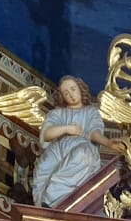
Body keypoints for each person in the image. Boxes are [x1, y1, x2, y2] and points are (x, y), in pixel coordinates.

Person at [32, 75, 108, 209]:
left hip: (81, 148)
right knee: (45, 164)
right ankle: (46, 202)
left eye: (73, 89)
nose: (71, 95)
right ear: (62, 96)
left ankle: (54, 200)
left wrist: (107, 143)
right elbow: (46, 135)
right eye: (66, 93)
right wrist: (68, 128)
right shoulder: (58, 113)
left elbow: (94, 132)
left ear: (80, 89)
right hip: (57, 151)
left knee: (83, 155)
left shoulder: (91, 112)